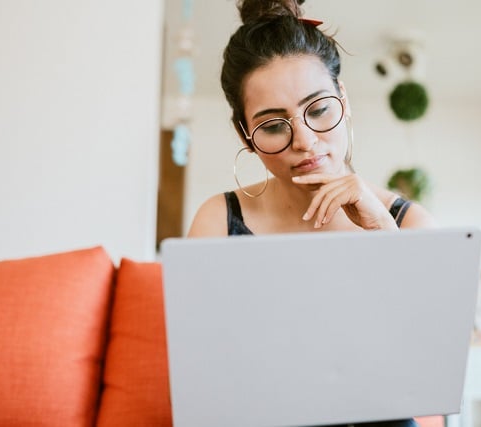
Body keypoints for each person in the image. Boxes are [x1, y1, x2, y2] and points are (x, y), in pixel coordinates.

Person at [187, 1, 436, 426]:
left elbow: (428, 378)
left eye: (319, 110)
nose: (304, 140)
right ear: (245, 135)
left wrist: (383, 235)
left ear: (344, 101)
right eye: (272, 125)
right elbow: (200, 373)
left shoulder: (409, 224)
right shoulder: (219, 220)